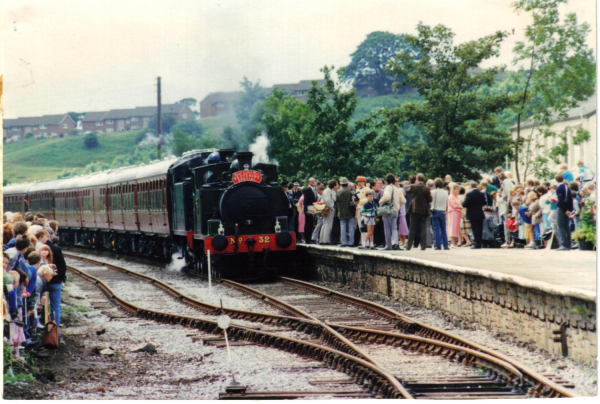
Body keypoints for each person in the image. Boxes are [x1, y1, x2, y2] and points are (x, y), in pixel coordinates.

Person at [38, 229, 66, 334]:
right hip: (55, 282)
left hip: (41, 283)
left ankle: (41, 326)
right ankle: (55, 330)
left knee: (39, 303)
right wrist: (60, 279)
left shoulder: (37, 252)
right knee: (55, 306)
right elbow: (63, 267)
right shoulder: (56, 249)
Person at [405, 174, 432, 251]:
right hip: (424, 210)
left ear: (417, 179)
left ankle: (408, 246)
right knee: (423, 228)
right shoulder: (427, 188)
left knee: (412, 228)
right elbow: (430, 199)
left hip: (414, 210)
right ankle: (423, 246)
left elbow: (407, 191)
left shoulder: (413, 187)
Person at [379, 173, 405, 250]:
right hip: (396, 211)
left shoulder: (388, 188)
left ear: (386, 181)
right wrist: (397, 205)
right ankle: (395, 243)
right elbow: (403, 200)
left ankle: (388, 245)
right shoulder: (398, 189)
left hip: (388, 210)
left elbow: (387, 196)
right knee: (394, 228)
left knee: (387, 228)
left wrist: (380, 201)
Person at [463, 182, 486, 249]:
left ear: (471, 187)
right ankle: (480, 243)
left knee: (475, 229)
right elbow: (484, 203)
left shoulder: (469, 194)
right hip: (480, 213)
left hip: (472, 214)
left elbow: (465, 204)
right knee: (480, 229)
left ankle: (477, 244)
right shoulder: (481, 194)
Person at [554, 174, 574, 251]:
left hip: (562, 208)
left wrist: (565, 210)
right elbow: (570, 199)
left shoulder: (559, 188)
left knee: (561, 226)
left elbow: (560, 199)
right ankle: (568, 243)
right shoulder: (567, 187)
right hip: (568, 208)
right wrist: (569, 210)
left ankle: (563, 244)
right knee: (566, 226)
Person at [430, 178, 449, 250]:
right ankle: (446, 245)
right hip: (443, 211)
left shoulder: (432, 192)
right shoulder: (446, 192)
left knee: (436, 229)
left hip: (435, 210)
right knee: (443, 228)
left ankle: (438, 245)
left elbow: (431, 201)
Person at [336, 177, 355, 247]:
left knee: (343, 226)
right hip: (350, 210)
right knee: (351, 226)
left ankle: (344, 242)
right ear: (347, 183)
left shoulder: (338, 191)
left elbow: (336, 200)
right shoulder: (351, 190)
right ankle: (351, 242)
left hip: (341, 211)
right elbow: (355, 198)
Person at [319, 180, 338, 245]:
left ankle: (322, 240)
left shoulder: (326, 190)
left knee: (324, 224)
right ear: (334, 185)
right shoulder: (328, 191)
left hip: (325, 208)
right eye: (336, 184)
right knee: (328, 224)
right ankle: (326, 240)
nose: (337, 186)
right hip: (329, 209)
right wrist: (332, 208)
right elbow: (328, 201)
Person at [446, 183, 462, 248]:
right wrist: (460, 207)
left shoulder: (457, 197)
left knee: (456, 227)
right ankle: (452, 243)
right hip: (452, 213)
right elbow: (454, 205)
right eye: (456, 189)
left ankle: (455, 242)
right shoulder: (451, 197)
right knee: (452, 227)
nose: (457, 191)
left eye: (458, 190)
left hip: (457, 213)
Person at [302, 178, 318, 244]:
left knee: (311, 223)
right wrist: (305, 210)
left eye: (314, 181)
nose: (313, 182)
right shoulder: (307, 189)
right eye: (311, 181)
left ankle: (310, 238)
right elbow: (305, 200)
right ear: (309, 182)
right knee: (308, 224)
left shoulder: (315, 189)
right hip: (309, 208)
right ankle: (307, 239)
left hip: (313, 207)